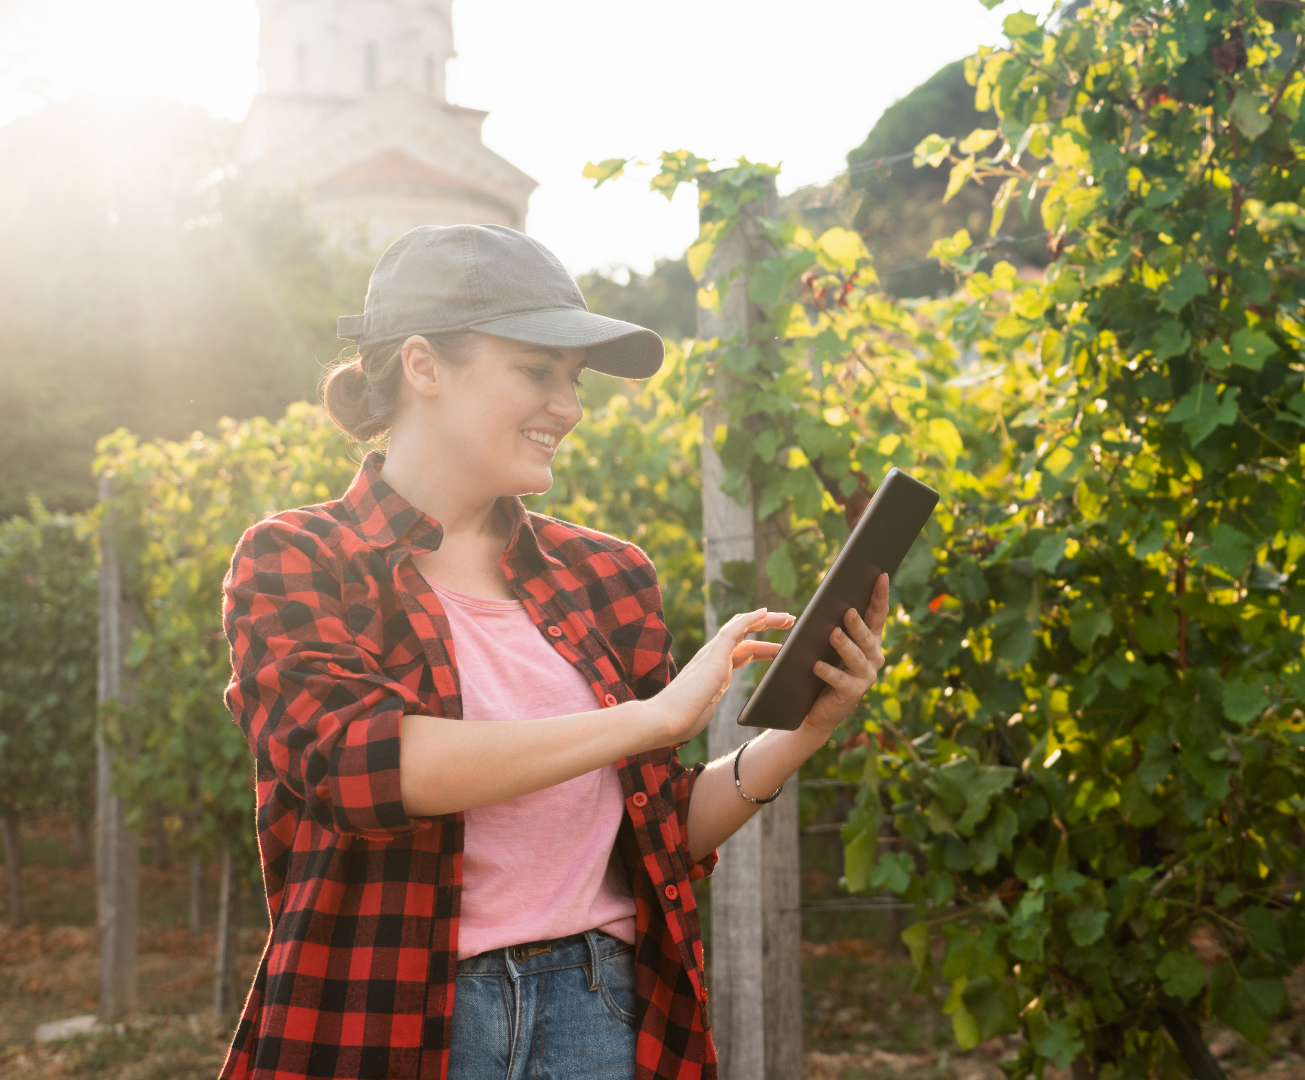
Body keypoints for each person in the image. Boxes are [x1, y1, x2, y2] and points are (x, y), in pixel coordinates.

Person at [220, 224, 890, 1080]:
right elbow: (363, 767)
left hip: (599, 1009)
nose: (568, 408)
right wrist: (647, 720)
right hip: (388, 1015)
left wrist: (801, 730)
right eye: (537, 371)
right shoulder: (298, 558)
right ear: (423, 366)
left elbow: (660, 830)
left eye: (572, 380)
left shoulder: (606, 575)